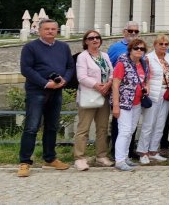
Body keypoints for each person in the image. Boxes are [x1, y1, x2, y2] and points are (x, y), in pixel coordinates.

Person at [17, 19, 74, 177]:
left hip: (56, 91)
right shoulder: (30, 47)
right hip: (37, 91)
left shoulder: (63, 47)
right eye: (47, 29)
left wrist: (65, 80)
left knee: (52, 126)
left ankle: (50, 158)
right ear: (40, 31)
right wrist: (44, 83)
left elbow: (70, 66)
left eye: (53, 29)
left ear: (57, 31)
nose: (50, 31)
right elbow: (26, 69)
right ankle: (24, 162)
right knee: (31, 127)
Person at [74, 30, 113, 171]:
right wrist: (97, 85)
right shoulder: (82, 57)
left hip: (104, 95)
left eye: (97, 37)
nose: (95, 40)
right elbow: (81, 77)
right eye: (91, 38)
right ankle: (79, 157)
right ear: (86, 41)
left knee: (102, 128)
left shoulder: (105, 56)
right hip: (89, 95)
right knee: (83, 128)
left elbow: (112, 72)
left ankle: (101, 155)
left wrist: (108, 84)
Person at [111, 38, 149, 171]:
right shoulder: (122, 63)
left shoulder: (143, 63)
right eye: (136, 48)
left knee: (131, 130)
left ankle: (125, 156)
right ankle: (119, 160)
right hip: (124, 102)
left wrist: (146, 87)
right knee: (125, 131)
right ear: (130, 50)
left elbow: (145, 79)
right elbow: (115, 85)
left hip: (137, 102)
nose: (139, 51)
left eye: (142, 49)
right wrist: (115, 105)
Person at [137, 35, 169, 164]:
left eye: (166, 44)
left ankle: (153, 150)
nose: (163, 46)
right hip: (153, 92)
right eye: (161, 44)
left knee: (160, 123)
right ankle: (143, 151)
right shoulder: (148, 58)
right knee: (149, 123)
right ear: (155, 45)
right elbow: (145, 76)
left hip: (167, 93)